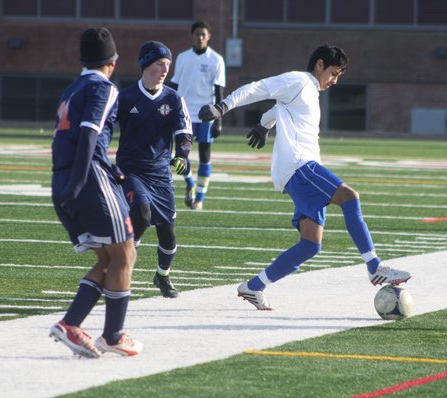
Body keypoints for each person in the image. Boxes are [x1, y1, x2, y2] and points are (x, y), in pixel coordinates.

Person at [199, 44, 412, 310]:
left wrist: (264, 125)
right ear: (319, 65)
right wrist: (222, 107)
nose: (334, 81)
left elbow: (280, 109)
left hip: (297, 170)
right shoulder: (299, 80)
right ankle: (374, 266)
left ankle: (253, 286)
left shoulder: (308, 91)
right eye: (333, 73)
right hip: (300, 167)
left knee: (311, 245)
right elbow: (257, 88)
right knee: (349, 197)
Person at [49, 27, 142, 357]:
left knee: (108, 258)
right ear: (113, 62)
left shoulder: (72, 88)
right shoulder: (105, 87)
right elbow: (89, 135)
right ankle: (113, 335)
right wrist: (80, 183)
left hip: (63, 179)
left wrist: (67, 187)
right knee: (126, 254)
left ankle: (71, 324)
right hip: (87, 179)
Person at [116, 41, 192, 299]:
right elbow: (104, 126)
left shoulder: (174, 98)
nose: (165, 69)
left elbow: (184, 133)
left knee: (168, 235)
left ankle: (162, 276)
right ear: (146, 64)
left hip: (160, 173)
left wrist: (182, 155)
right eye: (160, 63)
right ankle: (121, 269)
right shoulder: (125, 98)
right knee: (141, 213)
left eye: (168, 65)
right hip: (131, 170)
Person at [169, 20, 225, 210]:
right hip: (184, 114)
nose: (200, 37)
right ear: (192, 36)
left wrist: (219, 119)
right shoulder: (183, 58)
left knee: (204, 155)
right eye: (197, 34)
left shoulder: (216, 60)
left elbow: (219, 92)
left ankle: (199, 198)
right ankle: (190, 183)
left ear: (208, 37)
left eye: (203, 34)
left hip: (206, 116)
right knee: (180, 155)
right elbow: (174, 85)